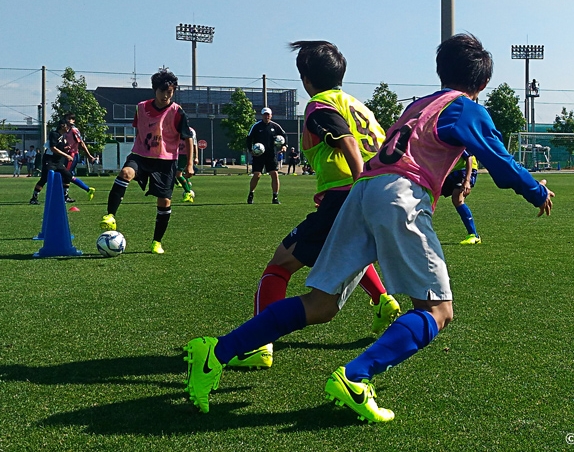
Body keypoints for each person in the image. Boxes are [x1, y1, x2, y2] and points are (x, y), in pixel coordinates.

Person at [183, 34, 555, 421]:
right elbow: (501, 163)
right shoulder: (465, 108)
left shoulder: (417, 106)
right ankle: (355, 378)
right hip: (399, 195)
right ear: (483, 82)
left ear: (439, 70)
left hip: (361, 191)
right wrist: (536, 190)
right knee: (438, 310)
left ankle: (215, 352)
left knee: (321, 305)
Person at [219, 41, 400, 371]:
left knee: (279, 266)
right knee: (336, 282)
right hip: (381, 197)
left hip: (347, 198)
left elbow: (347, 143)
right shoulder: (358, 106)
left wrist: (360, 188)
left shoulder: (320, 105)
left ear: (305, 78)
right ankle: (382, 299)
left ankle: (258, 344)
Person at [100, 68, 193, 254]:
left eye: (170, 92)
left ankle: (156, 242)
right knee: (125, 173)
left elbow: (188, 137)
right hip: (141, 155)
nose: (166, 96)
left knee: (164, 202)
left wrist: (190, 164)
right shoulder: (141, 107)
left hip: (165, 161)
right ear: (154, 90)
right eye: (162, 91)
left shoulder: (177, 112)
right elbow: (140, 128)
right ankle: (110, 215)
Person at [246, 107, 286, 204]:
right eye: (264, 115)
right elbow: (249, 138)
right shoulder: (256, 126)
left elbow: (284, 136)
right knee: (257, 175)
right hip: (258, 155)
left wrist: (284, 146)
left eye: (268, 115)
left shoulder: (275, 126)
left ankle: (275, 197)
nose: (266, 116)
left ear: (271, 115)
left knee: (275, 174)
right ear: (262, 115)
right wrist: (250, 150)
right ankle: (251, 194)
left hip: (271, 155)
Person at [29, 121, 75, 204]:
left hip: (57, 161)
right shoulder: (54, 134)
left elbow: (59, 148)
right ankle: (34, 198)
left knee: (68, 176)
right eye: (68, 126)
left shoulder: (63, 136)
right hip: (49, 160)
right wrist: (66, 155)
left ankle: (65, 197)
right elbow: (53, 148)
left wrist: (66, 149)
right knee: (44, 178)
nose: (69, 128)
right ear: (62, 126)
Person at [442, 151, 481, 244]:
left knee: (457, 198)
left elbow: (469, 157)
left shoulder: (458, 141)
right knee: (429, 193)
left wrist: (467, 181)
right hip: (452, 171)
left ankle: (473, 235)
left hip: (465, 170)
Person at [64, 113, 97, 202]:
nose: (68, 120)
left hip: (72, 155)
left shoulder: (74, 130)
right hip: (66, 154)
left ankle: (65, 196)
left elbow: (81, 143)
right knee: (68, 175)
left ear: (73, 120)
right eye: (67, 118)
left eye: (70, 119)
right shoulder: (65, 130)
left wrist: (89, 156)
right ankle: (88, 189)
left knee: (66, 175)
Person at [176, 127, 198, 203]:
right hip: (176, 154)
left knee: (178, 174)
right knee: (182, 173)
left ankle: (188, 192)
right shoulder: (175, 128)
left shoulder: (190, 131)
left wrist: (196, 157)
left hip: (185, 155)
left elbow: (194, 144)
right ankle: (188, 187)